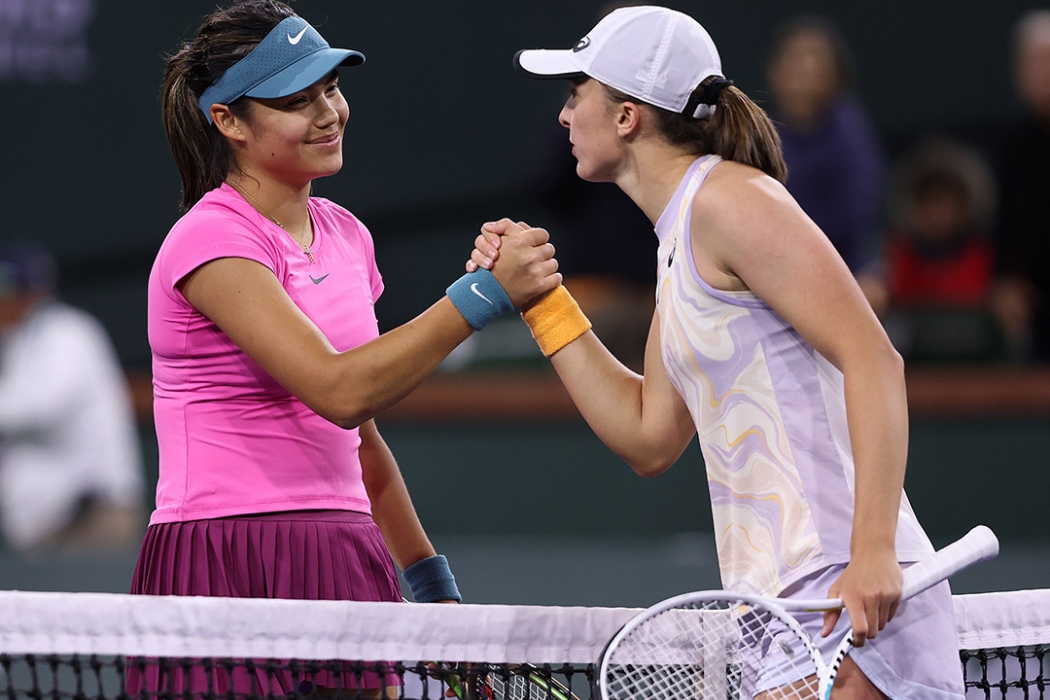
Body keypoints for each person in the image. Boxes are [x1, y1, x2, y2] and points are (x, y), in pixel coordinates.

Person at [469, 6, 960, 698]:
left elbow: (874, 358)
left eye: (576, 93)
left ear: (627, 116)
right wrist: (543, 302)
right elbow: (648, 437)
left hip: (846, 592)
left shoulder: (731, 201)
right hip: (783, 608)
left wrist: (873, 550)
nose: (564, 114)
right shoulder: (679, 244)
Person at [131, 0, 559, 695]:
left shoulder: (347, 235)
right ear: (229, 121)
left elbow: (362, 442)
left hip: (343, 549)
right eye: (297, 101)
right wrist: (482, 296)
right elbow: (340, 390)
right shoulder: (211, 238)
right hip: (222, 552)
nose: (328, 113)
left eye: (331, 88)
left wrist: (434, 591)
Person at [0, 242, 145, 553]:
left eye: (8, 294)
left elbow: (41, 405)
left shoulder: (67, 333)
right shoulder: (17, 343)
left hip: (92, 518)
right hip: (46, 530)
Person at [766, 16, 889, 315]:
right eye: (795, 57)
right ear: (775, 72)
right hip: (772, 267)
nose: (805, 67)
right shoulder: (761, 133)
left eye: (815, 57)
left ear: (837, 74)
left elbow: (856, 218)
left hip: (843, 270)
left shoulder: (851, 133)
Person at [880, 136, 1007, 363]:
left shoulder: (983, 256)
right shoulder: (897, 257)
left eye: (948, 202)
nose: (940, 213)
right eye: (931, 201)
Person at [991, 9, 1050, 362]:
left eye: (1047, 61)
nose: (1041, 73)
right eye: (1031, 63)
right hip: (1036, 314)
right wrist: (1006, 281)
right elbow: (1007, 227)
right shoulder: (1013, 147)